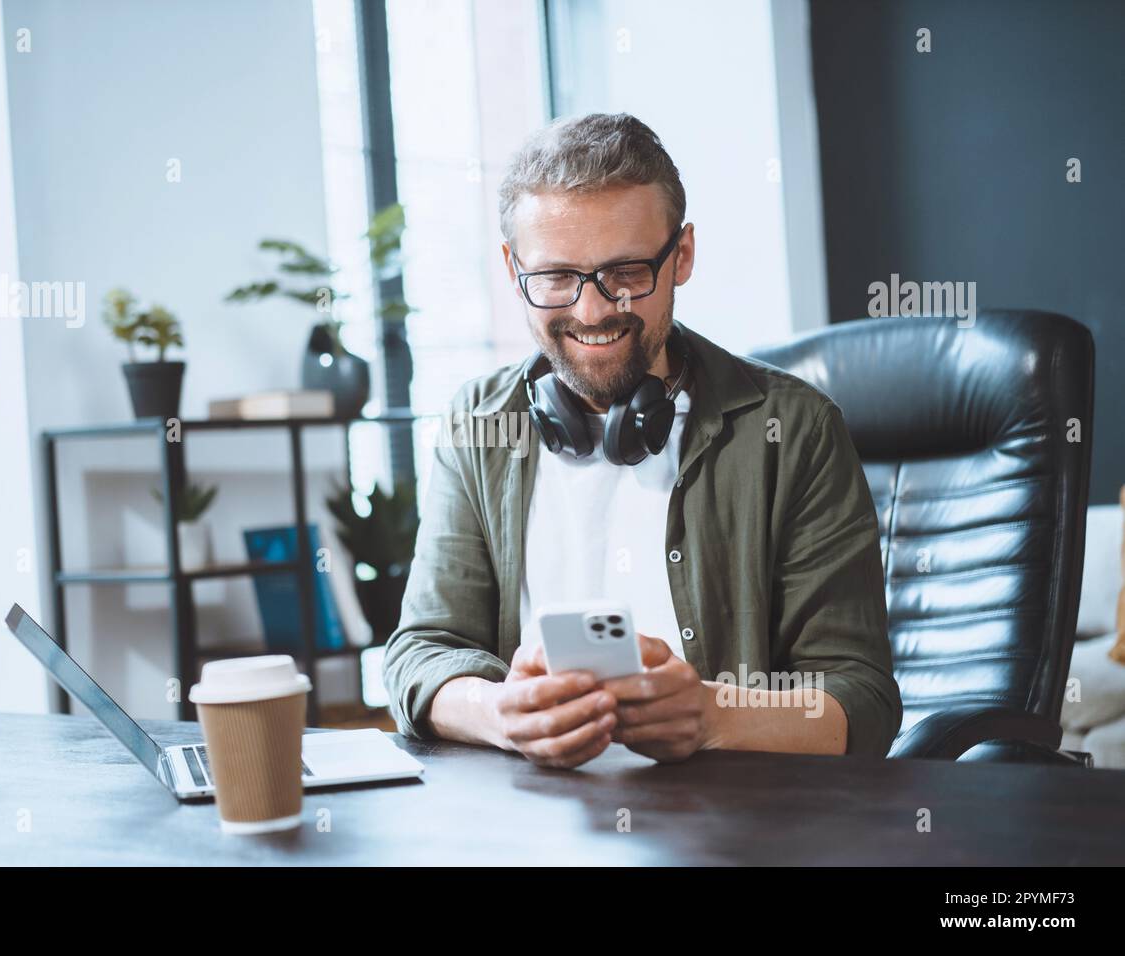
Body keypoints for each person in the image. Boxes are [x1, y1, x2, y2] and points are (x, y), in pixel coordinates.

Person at [383, 112, 902, 768]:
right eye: (556, 278)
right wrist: (499, 713)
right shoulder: (480, 424)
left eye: (626, 273)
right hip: (532, 825)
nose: (593, 310)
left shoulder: (795, 430)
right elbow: (420, 653)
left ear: (681, 255)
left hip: (730, 833)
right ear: (514, 266)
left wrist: (714, 715)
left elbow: (863, 701)